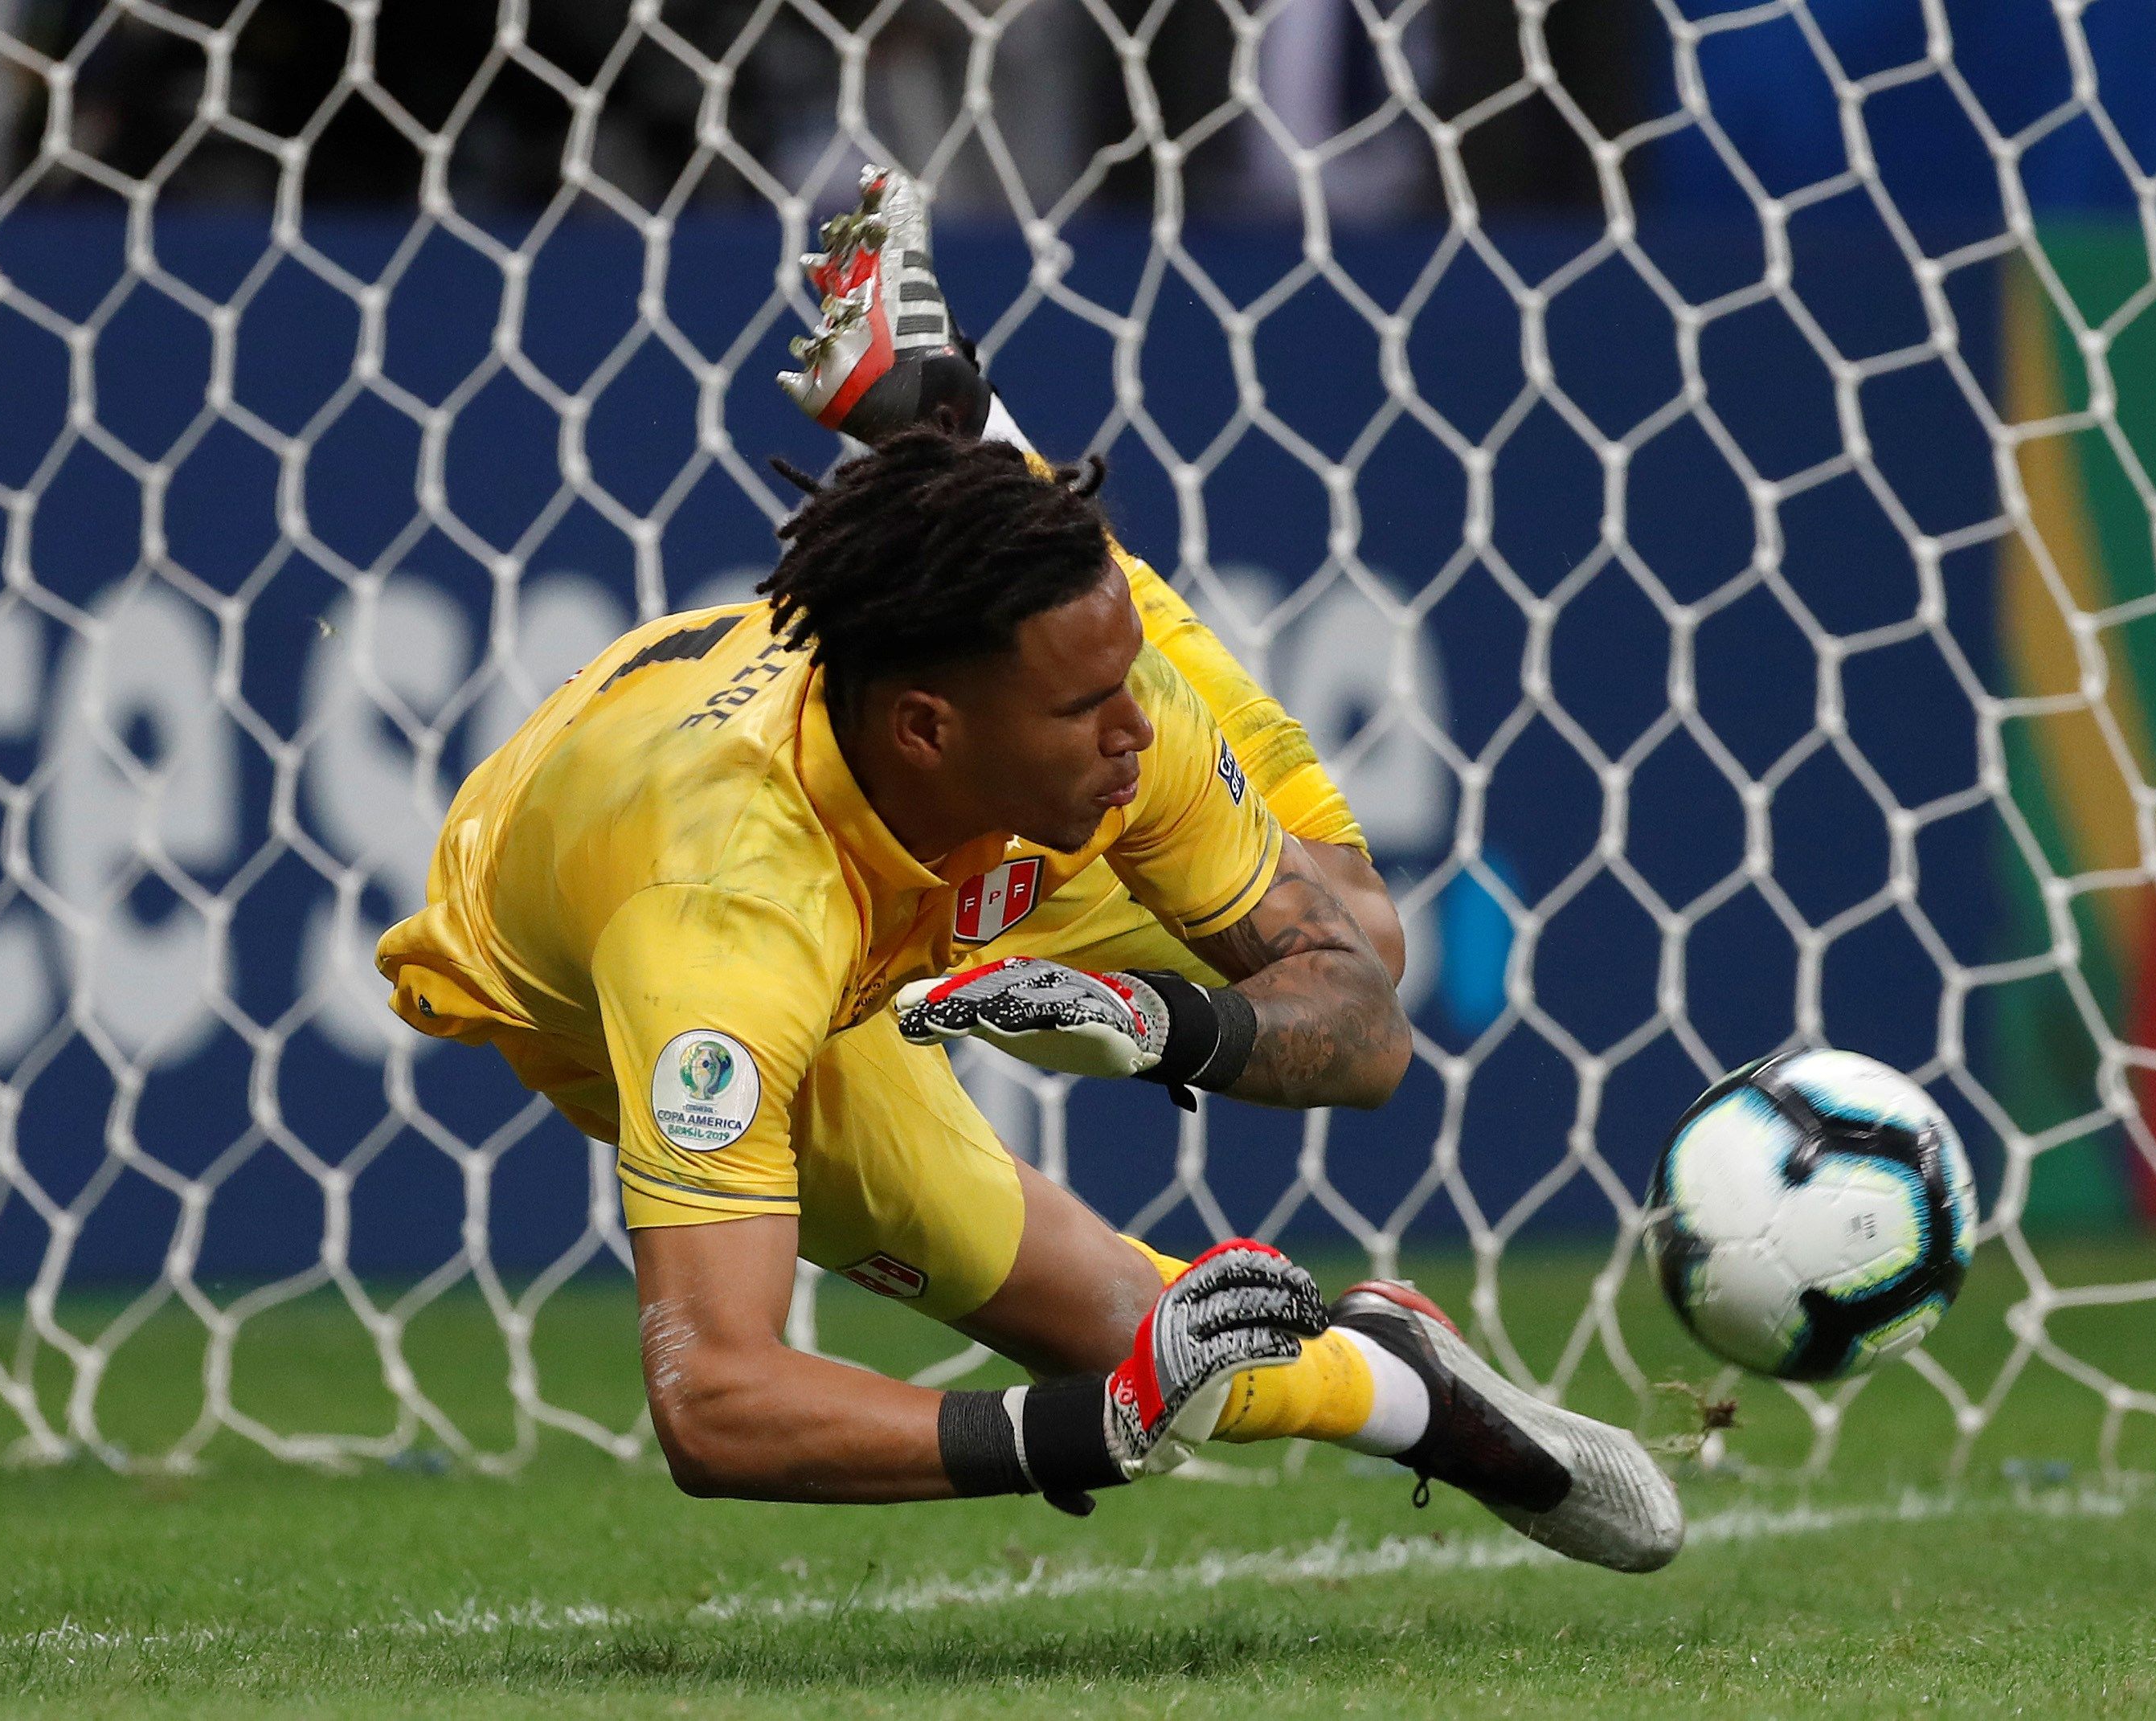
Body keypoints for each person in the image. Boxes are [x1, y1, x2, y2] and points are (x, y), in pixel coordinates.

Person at [374, 166, 1681, 1570]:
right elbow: (715, 1399)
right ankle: (1402, 1386)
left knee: (1360, 922)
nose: (1140, 726)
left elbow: (1365, 1032)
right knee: (1119, 1328)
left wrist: (1160, 1026)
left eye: (1131, 680)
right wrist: (1082, 1427)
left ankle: (968, 440)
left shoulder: (1105, 730)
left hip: (916, 816)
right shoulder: (721, 935)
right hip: (641, 893)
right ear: (935, 727)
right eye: (1088, 708)